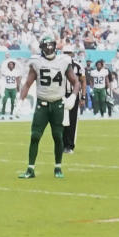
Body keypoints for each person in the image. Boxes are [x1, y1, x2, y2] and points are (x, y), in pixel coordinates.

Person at [17, 33, 80, 179]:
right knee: (35, 136)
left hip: (58, 103)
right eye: (46, 47)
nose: (49, 49)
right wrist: (21, 100)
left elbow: (75, 81)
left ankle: (58, 167)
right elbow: (27, 84)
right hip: (42, 104)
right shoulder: (36, 62)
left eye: (51, 46)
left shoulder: (64, 60)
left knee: (58, 136)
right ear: (42, 48)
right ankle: (30, 169)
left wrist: (73, 96)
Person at [62, 49, 86, 154]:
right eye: (65, 53)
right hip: (61, 95)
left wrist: (83, 97)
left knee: (72, 120)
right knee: (61, 121)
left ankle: (70, 145)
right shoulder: (59, 65)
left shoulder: (78, 66)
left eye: (68, 53)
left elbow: (83, 81)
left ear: (72, 54)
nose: (67, 55)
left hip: (74, 94)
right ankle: (62, 145)